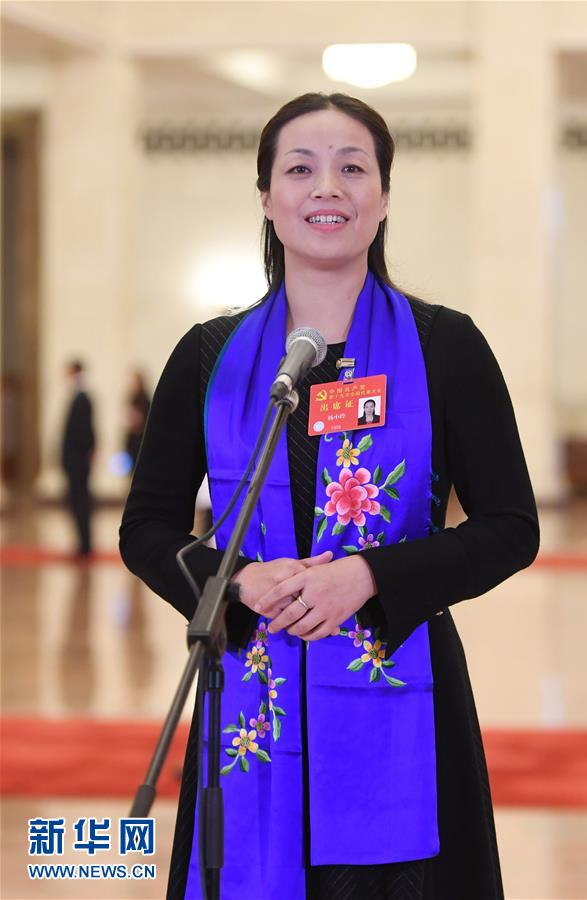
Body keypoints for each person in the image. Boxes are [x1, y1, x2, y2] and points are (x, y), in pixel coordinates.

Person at [120, 93, 539, 900]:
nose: (327, 188)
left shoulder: (445, 346)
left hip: (404, 698)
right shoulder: (208, 357)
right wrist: (235, 582)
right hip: (249, 686)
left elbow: (509, 527)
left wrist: (371, 576)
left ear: (382, 198)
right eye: (299, 169)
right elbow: (145, 529)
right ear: (266, 199)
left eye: (352, 168)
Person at [62, 359, 95, 557]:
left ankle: (85, 545)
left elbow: (84, 432)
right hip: (75, 459)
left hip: (78, 460)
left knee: (80, 501)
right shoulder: (77, 398)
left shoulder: (82, 399)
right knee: (77, 501)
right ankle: (82, 543)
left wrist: (84, 455)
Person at [124, 369, 151, 469]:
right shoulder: (132, 398)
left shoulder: (145, 399)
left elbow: (144, 419)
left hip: (140, 439)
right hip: (132, 438)